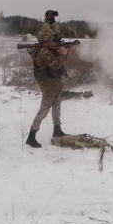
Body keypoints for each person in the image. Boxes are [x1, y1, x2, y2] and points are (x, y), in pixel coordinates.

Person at [26, 10, 73, 148]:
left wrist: (59, 50)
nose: (54, 40)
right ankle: (31, 136)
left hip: (54, 80)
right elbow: (57, 64)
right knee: (45, 107)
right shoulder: (44, 51)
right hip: (47, 83)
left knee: (57, 103)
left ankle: (57, 130)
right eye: (52, 38)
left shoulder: (49, 48)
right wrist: (65, 53)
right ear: (46, 38)